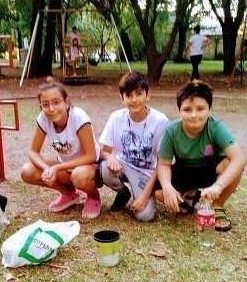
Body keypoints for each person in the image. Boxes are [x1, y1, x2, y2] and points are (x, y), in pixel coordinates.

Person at [155, 81, 246, 231]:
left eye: (200, 109)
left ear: (209, 109)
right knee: (159, 193)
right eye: (187, 109)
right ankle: (190, 199)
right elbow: (164, 164)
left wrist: (218, 186)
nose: (194, 115)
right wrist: (167, 186)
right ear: (179, 111)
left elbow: (239, 157)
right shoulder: (172, 130)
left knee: (231, 163)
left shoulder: (215, 127)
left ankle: (217, 206)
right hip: (184, 170)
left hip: (209, 169)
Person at [21, 80, 101, 218]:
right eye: (45, 105)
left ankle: (94, 196)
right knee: (27, 171)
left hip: (90, 168)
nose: (51, 109)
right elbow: (33, 151)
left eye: (56, 102)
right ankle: (69, 193)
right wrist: (46, 168)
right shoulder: (43, 119)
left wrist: (57, 168)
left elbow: (91, 156)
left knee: (78, 175)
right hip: (66, 169)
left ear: (66, 102)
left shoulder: (79, 118)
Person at [98, 72, 169, 221]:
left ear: (148, 95)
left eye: (139, 94)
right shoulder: (116, 117)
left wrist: (144, 196)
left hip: (147, 173)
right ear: (122, 98)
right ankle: (123, 193)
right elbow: (104, 150)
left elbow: (162, 164)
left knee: (145, 216)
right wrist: (110, 157)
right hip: (122, 166)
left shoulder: (160, 121)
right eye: (129, 95)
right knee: (104, 168)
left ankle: (142, 197)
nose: (134, 100)